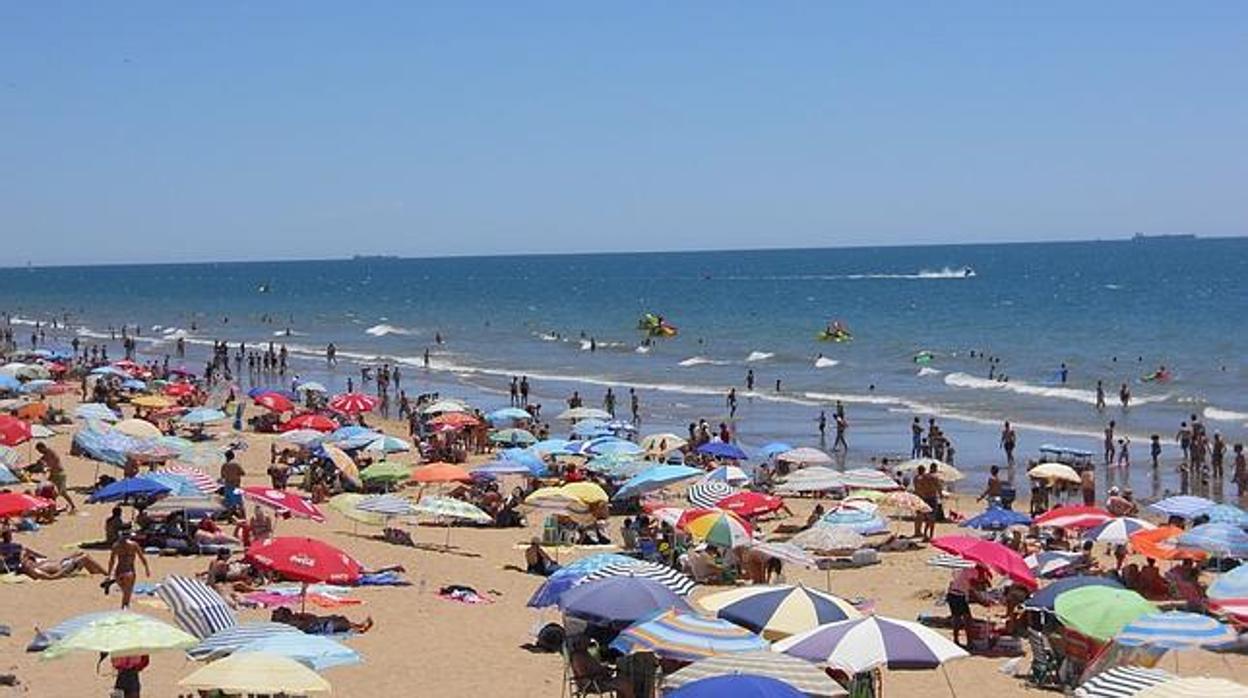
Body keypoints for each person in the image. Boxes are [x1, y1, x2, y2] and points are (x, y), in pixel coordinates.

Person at [106, 527, 150, 609]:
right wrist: (146, 569)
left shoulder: (116, 546)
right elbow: (142, 558)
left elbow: (112, 561)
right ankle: (125, 608)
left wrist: (109, 574)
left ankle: (124, 607)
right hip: (130, 572)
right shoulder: (134, 545)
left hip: (119, 572)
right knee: (127, 594)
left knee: (125, 592)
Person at [947, 565, 990, 647]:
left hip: (952, 594)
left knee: (957, 618)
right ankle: (969, 642)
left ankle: (956, 640)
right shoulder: (973, 572)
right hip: (959, 596)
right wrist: (983, 602)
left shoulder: (964, 569)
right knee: (967, 620)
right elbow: (973, 589)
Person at [32, 443, 74, 513]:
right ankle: (53, 508)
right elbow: (43, 461)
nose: (40, 452)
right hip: (53, 475)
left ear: (43, 447)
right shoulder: (46, 455)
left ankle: (71, 506)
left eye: (40, 450)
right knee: (47, 489)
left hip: (59, 474)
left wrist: (44, 467)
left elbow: (51, 463)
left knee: (59, 493)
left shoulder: (50, 452)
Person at [271, 606, 374, 634]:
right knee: (337, 622)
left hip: (317, 623)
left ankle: (359, 626)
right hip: (319, 625)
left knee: (337, 618)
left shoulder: (292, 620)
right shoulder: (292, 623)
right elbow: (308, 624)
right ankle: (359, 628)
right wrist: (306, 616)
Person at [19, 549, 107, 580]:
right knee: (85, 557)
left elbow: (25, 551)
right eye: (26, 561)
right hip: (64, 568)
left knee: (79, 552)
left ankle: (94, 572)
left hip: (62, 563)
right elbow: (52, 577)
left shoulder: (35, 564)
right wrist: (63, 573)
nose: (28, 560)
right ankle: (106, 573)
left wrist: (64, 559)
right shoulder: (35, 571)